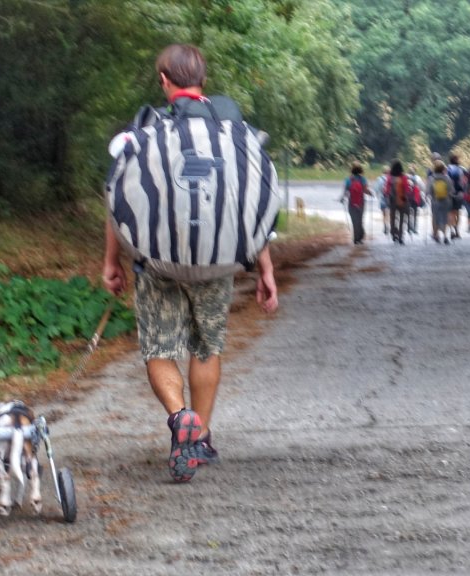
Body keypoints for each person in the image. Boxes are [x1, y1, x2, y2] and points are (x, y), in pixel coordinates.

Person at [102, 44, 279, 484]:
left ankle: (180, 417)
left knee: (160, 348)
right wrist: (266, 269)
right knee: (207, 347)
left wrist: (113, 262)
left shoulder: (143, 134)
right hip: (217, 264)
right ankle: (200, 436)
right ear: (203, 79)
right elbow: (247, 206)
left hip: (158, 263)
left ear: (165, 81)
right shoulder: (234, 135)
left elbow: (119, 200)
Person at [340, 163, 372, 244]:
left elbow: (345, 192)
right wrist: (371, 193)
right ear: (361, 170)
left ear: (352, 170)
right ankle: (360, 237)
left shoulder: (348, 180)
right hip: (361, 202)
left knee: (354, 221)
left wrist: (342, 199)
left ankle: (356, 238)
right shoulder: (363, 179)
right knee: (360, 220)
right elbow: (365, 190)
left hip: (351, 202)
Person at [428, 160, 454, 245]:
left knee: (435, 218)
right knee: (445, 218)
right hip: (446, 201)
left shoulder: (432, 178)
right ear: (443, 169)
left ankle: (436, 235)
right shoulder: (447, 178)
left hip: (435, 201)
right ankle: (445, 236)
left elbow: (428, 191)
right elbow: (451, 190)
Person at [386, 161, 412, 244]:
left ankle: (394, 234)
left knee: (393, 218)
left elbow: (386, 189)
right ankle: (401, 236)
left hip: (392, 200)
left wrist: (386, 195)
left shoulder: (390, 177)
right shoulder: (403, 177)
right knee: (402, 218)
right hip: (402, 199)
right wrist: (407, 197)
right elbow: (407, 189)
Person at [446, 154, 467, 238]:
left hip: (449, 193)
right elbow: (463, 182)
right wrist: (463, 191)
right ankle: (457, 230)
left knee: (450, 213)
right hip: (459, 192)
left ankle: (451, 230)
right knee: (457, 212)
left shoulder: (447, 169)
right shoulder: (461, 169)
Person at [374, 166, 391, 236]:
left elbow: (376, 189)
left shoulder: (379, 179)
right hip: (390, 198)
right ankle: (390, 225)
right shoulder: (391, 178)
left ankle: (385, 226)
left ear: (383, 172)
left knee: (384, 213)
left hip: (382, 198)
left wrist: (377, 195)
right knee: (390, 213)